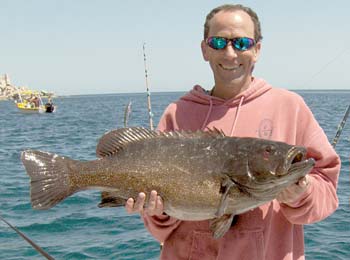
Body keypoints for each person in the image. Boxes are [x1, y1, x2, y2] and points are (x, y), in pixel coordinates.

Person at [125, 4, 341, 260]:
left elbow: (326, 189)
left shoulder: (290, 107)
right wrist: (157, 211)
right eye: (218, 42)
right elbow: (161, 230)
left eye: (242, 43)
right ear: (204, 50)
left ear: (257, 49)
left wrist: (301, 195)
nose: (230, 53)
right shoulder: (177, 113)